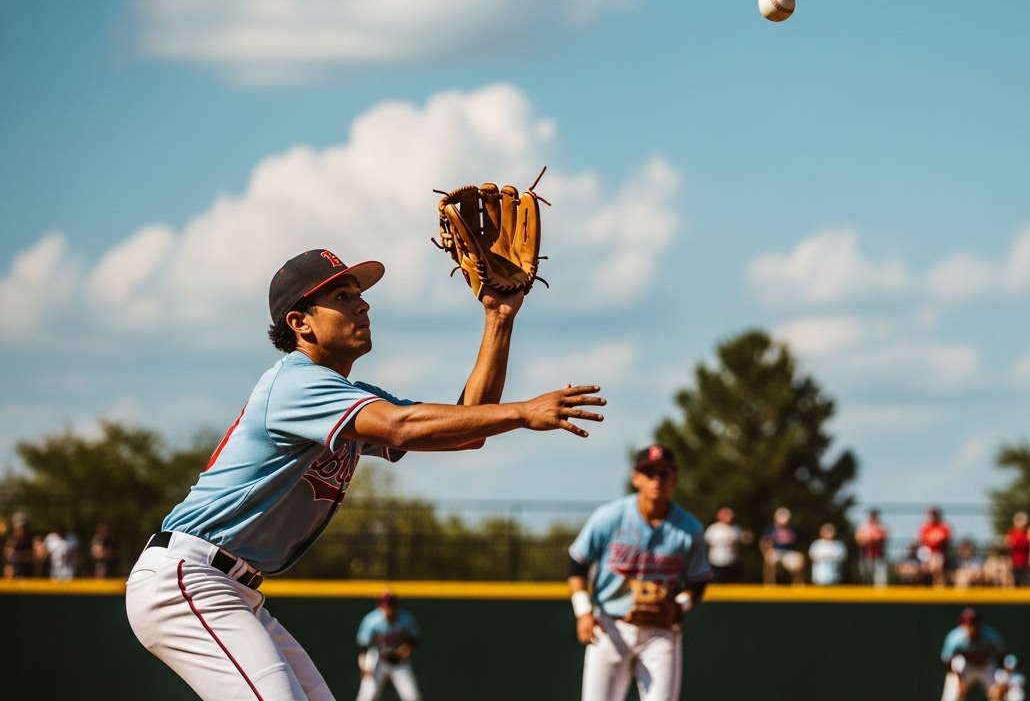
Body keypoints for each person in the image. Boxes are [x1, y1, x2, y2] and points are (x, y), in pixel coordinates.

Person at [126, 249, 606, 701]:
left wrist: (499, 319)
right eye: (342, 297)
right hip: (189, 577)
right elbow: (401, 425)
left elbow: (464, 430)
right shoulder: (296, 382)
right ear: (300, 322)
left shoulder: (345, 394)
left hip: (231, 588)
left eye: (359, 294)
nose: (362, 305)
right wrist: (522, 411)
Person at [568, 445, 711, 701]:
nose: (657, 478)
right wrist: (583, 613)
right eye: (650, 472)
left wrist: (678, 606)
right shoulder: (609, 517)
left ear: (674, 478)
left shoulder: (689, 528)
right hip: (610, 624)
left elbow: (698, 581)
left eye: (664, 473)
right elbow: (576, 563)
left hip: (661, 630)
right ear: (636, 478)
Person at [355, 592, 422, 701]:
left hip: (399, 660)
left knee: (412, 697)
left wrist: (408, 648)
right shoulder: (371, 620)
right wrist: (364, 664)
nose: (389, 607)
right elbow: (363, 645)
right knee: (367, 697)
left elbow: (416, 638)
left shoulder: (406, 618)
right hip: (377, 658)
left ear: (396, 605)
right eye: (386, 605)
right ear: (380, 606)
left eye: (391, 604)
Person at [940, 607, 1008, 701]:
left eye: (974, 623)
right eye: (967, 624)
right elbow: (947, 661)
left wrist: (1001, 681)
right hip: (965, 666)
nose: (971, 627)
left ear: (980, 624)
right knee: (952, 696)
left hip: (986, 666)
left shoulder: (991, 636)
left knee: (999, 695)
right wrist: (959, 680)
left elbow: (1003, 658)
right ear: (962, 625)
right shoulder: (955, 638)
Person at [702, 507, 751, 584]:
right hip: (716, 562)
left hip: (733, 562)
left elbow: (745, 541)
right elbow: (704, 543)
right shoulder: (713, 529)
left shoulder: (736, 529)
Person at [760, 508, 805, 586]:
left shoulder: (793, 530)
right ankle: (770, 585)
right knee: (770, 557)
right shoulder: (771, 530)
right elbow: (764, 543)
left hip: (788, 553)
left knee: (799, 560)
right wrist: (766, 552)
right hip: (775, 552)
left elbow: (799, 545)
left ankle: (798, 587)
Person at [918, 506, 952, 587]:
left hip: (940, 553)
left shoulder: (944, 526)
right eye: (931, 515)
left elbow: (944, 539)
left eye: (934, 514)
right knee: (921, 567)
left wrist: (933, 540)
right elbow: (922, 540)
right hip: (926, 553)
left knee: (936, 564)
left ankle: (938, 587)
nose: (932, 517)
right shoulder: (925, 527)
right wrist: (934, 539)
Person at [854, 509, 889, 588]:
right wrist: (868, 539)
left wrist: (874, 539)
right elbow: (858, 538)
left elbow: (884, 538)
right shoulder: (863, 527)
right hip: (866, 554)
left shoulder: (881, 527)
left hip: (879, 555)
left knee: (880, 577)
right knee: (866, 576)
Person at [4, 513, 35, 579]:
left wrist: (21, 556)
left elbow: (33, 556)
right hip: (14, 576)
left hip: (27, 574)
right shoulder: (11, 540)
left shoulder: (29, 540)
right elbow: (8, 555)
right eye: (18, 528)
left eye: (21, 528)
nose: (20, 530)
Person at [1006, 512, 1030, 587]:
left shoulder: (1027, 533)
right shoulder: (1012, 533)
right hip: (1015, 562)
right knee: (1016, 582)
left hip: (1026, 563)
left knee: (1026, 583)